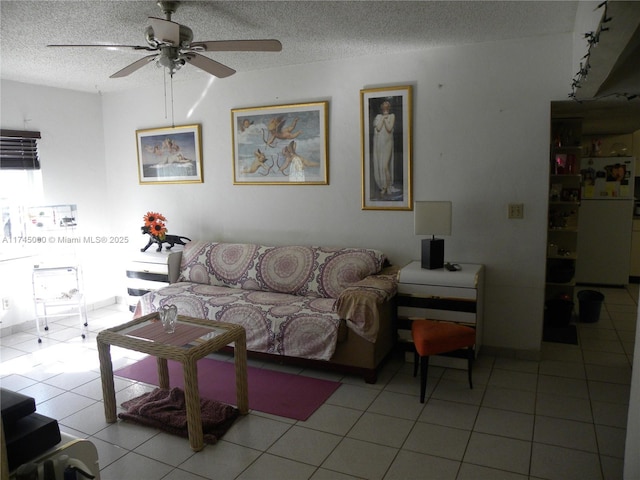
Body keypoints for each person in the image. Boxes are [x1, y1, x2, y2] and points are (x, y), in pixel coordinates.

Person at [372, 99, 396, 196]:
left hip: (388, 143)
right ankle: (385, 186)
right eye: (384, 104)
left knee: (385, 166)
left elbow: (389, 129)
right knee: (382, 166)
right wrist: (383, 118)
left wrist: (386, 118)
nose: (386, 105)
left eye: (387, 104)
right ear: (382, 107)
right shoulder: (378, 117)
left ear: (389, 107)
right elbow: (378, 128)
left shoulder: (392, 116)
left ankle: (387, 187)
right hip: (380, 144)